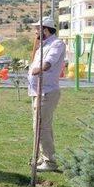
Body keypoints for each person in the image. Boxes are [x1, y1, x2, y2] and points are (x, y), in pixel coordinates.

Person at [27, 17, 66, 173]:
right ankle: (44, 157)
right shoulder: (43, 45)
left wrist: (39, 69)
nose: (35, 31)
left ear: (46, 29)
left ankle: (50, 161)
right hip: (38, 91)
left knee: (42, 127)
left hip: (47, 92)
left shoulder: (56, 44)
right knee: (40, 127)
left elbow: (49, 62)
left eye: (38, 29)